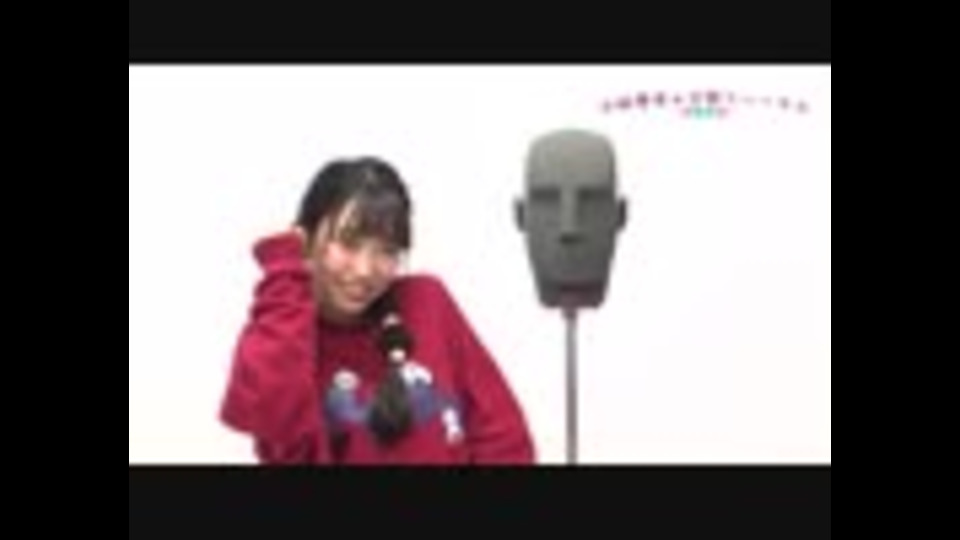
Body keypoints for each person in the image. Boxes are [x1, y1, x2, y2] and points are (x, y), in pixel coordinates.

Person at [219, 156, 536, 465]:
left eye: (387, 251)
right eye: (348, 244)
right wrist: (284, 269)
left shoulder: (427, 301)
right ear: (308, 237)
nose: (365, 270)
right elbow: (271, 418)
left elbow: (503, 436)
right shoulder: (284, 333)